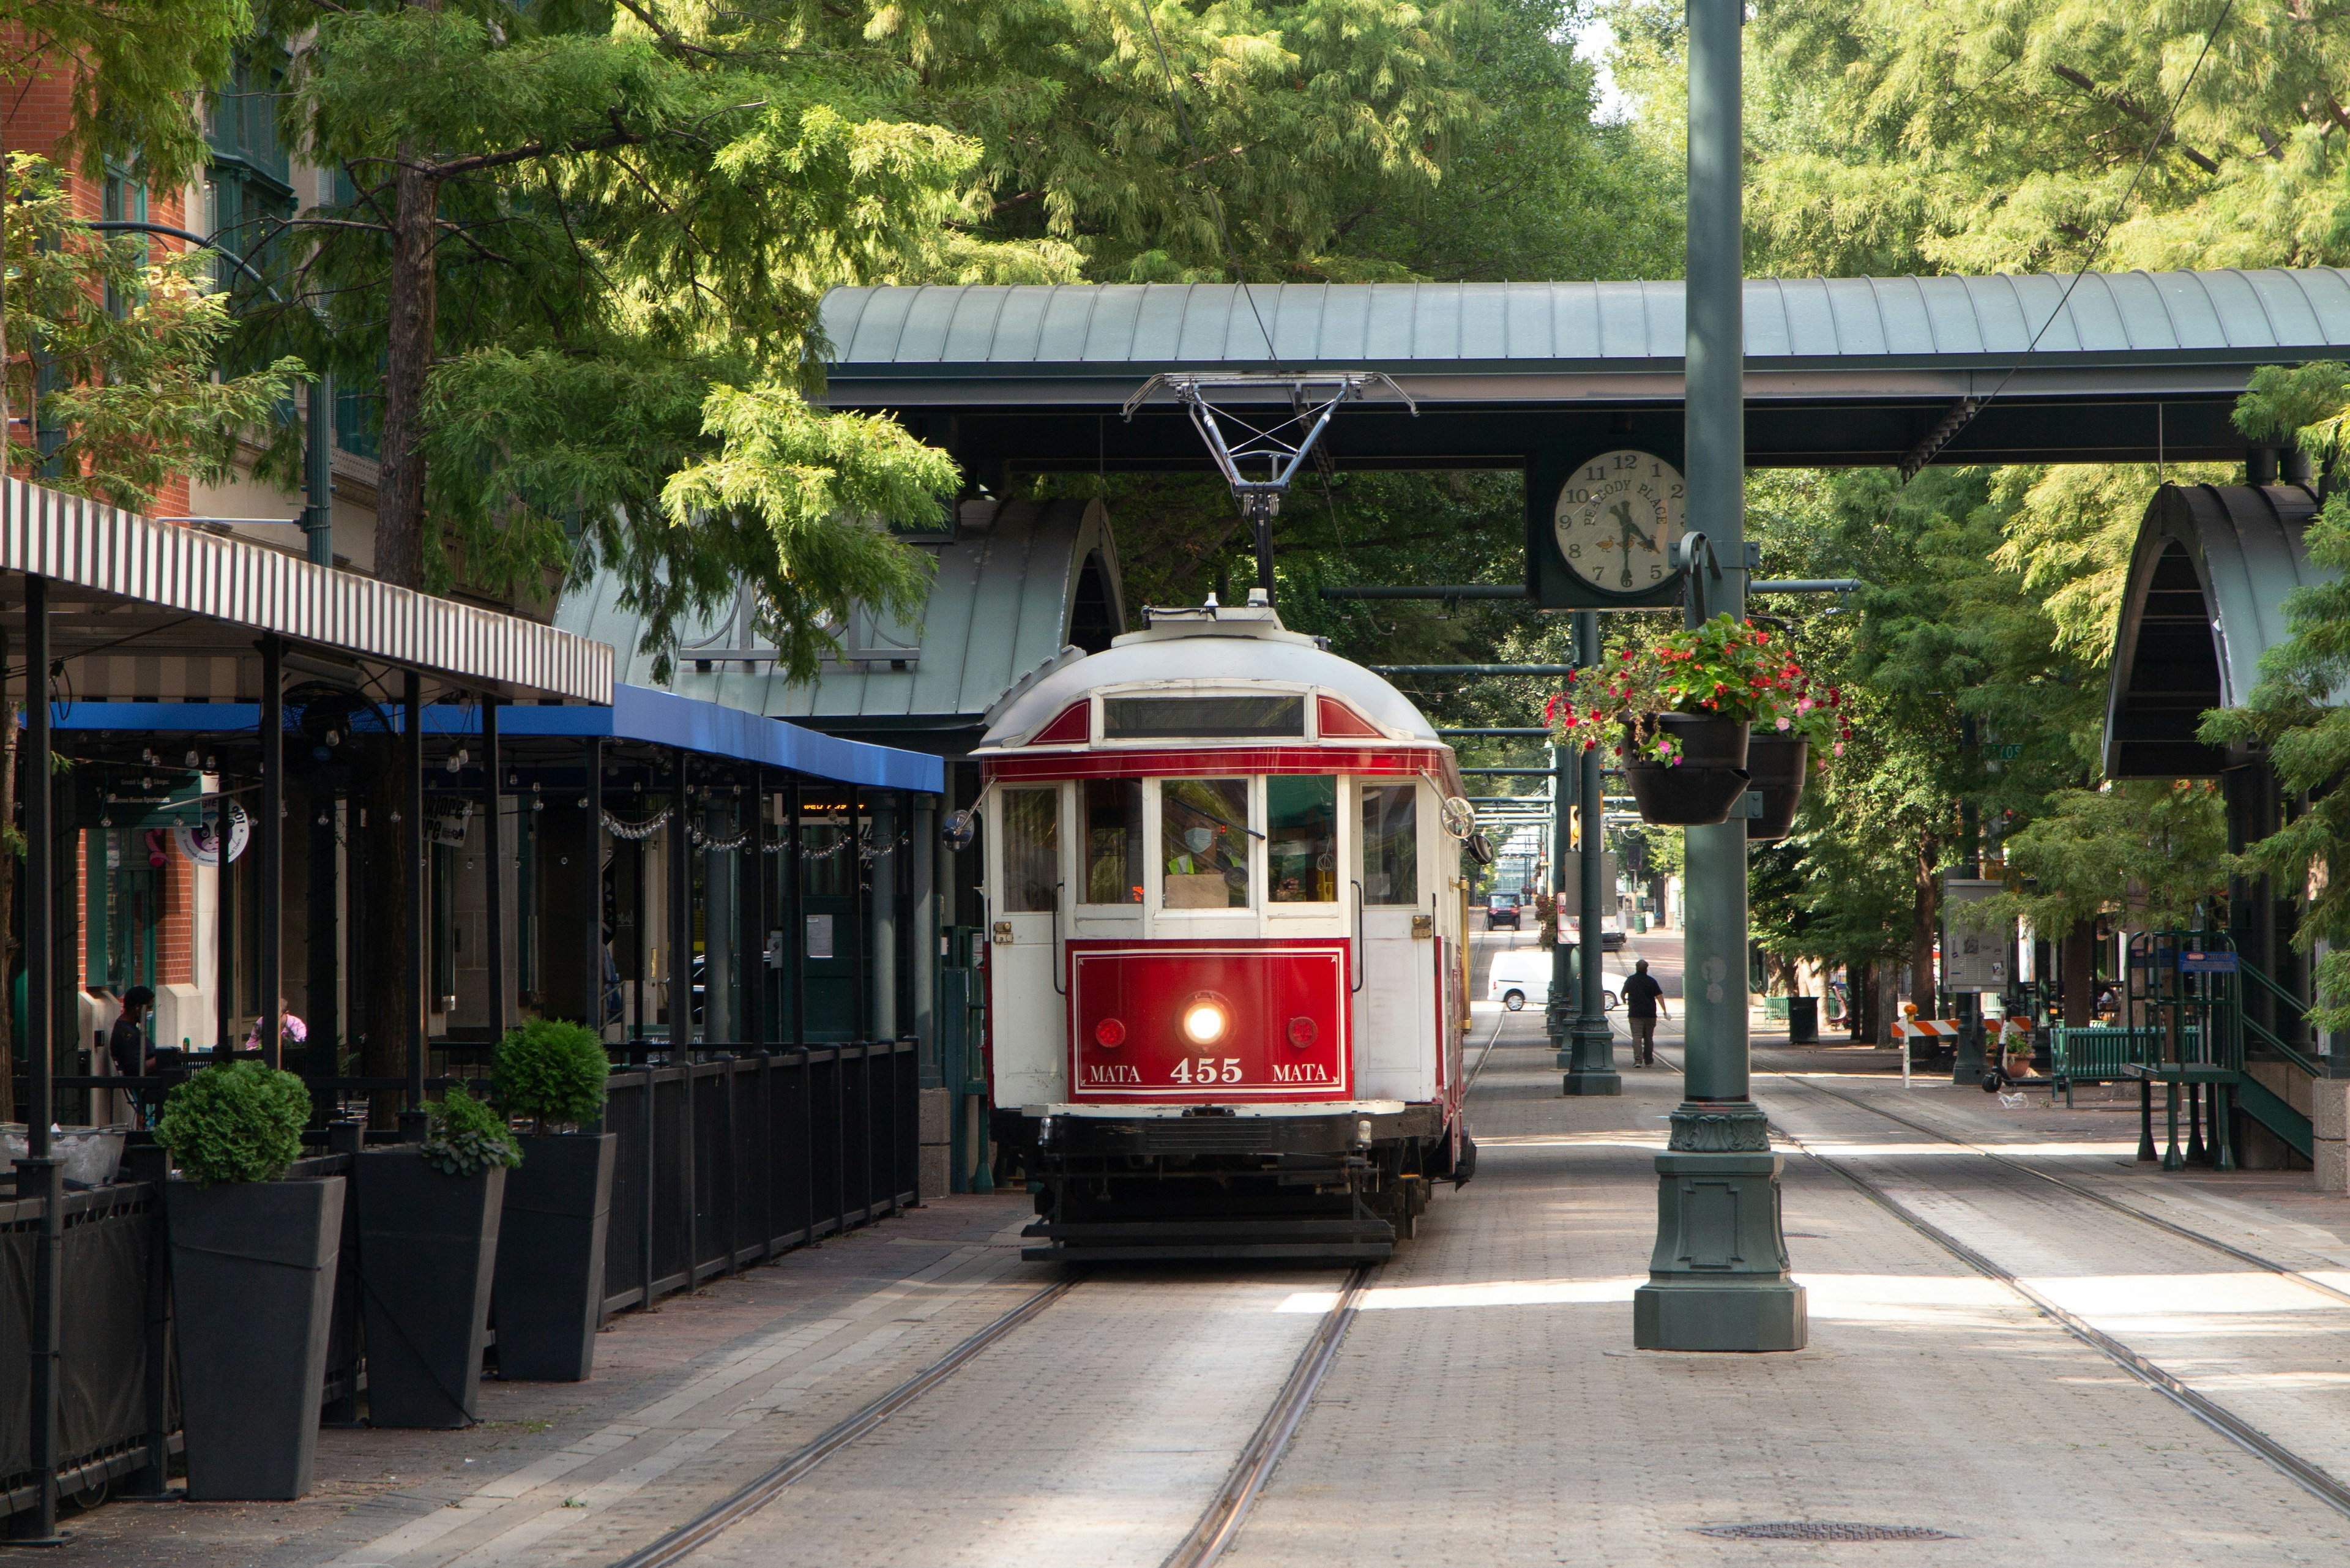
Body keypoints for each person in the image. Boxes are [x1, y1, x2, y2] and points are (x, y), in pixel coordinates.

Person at [1621, 960, 1666, 1067]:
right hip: (1650, 1014)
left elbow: (1623, 993)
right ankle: (1649, 1060)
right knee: (1648, 1038)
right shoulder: (1652, 981)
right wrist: (1664, 1010)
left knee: (1637, 1037)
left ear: (1636, 968)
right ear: (1647, 969)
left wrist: (1624, 1000)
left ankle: (1638, 1060)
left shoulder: (1630, 980)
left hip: (1635, 1014)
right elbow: (1659, 996)